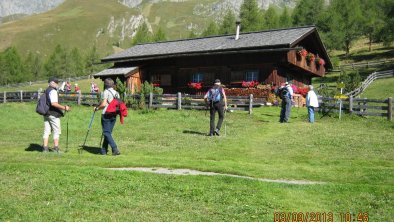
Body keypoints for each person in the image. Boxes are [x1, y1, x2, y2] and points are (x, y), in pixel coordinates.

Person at [42, 77, 71, 152]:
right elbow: (54, 103)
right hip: (53, 114)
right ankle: (56, 148)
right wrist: (64, 107)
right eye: (56, 82)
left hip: (46, 113)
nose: (57, 84)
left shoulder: (47, 90)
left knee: (47, 131)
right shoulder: (53, 91)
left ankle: (45, 148)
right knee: (56, 131)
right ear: (52, 83)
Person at [94, 78, 121, 155]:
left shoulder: (105, 92)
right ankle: (103, 150)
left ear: (105, 85)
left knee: (106, 132)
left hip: (106, 114)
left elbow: (103, 104)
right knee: (108, 132)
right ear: (112, 85)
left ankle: (114, 148)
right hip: (114, 114)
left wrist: (97, 108)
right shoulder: (117, 93)